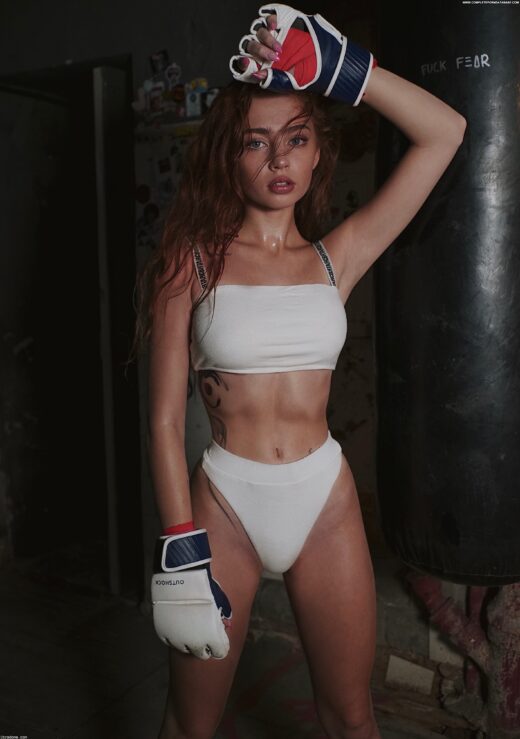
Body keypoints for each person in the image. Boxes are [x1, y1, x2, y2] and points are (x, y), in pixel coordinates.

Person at [134, 6, 466, 738]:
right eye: (256, 142)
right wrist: (179, 545)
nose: (278, 159)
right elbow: (162, 418)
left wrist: (346, 70)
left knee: (351, 718)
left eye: (296, 138)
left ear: (319, 155)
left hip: (323, 499)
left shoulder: (336, 256)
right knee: (191, 725)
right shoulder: (191, 261)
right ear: (230, 157)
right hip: (225, 503)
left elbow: (446, 132)